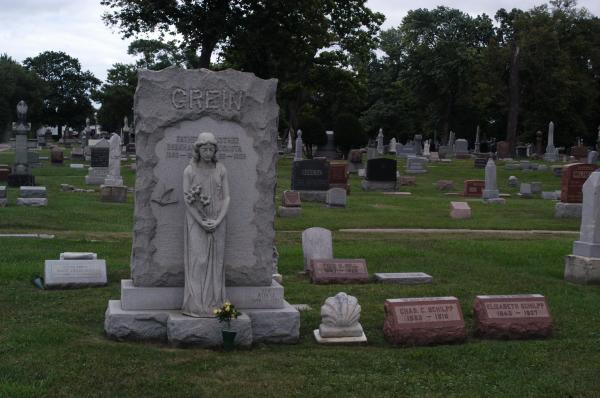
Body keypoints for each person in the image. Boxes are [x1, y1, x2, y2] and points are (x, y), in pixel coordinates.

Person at [181, 132, 230, 317]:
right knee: (199, 261)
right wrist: (201, 221)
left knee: (216, 263)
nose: (208, 152)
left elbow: (227, 197)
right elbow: (187, 200)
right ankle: (196, 304)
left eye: (211, 148)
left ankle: (216, 303)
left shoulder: (221, 169)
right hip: (196, 221)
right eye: (204, 148)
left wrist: (218, 220)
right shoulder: (189, 171)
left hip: (218, 220)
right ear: (198, 150)